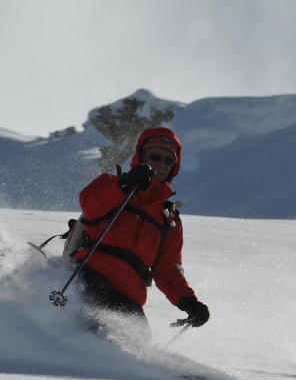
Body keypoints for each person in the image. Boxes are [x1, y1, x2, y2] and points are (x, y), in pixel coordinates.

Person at [73, 127, 210, 334]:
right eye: (155, 157)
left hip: (129, 297)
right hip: (91, 276)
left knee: (140, 344)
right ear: (141, 157)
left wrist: (188, 301)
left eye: (168, 160)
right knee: (98, 333)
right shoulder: (113, 184)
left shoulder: (168, 217)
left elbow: (167, 269)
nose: (161, 164)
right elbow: (90, 204)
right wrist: (126, 185)